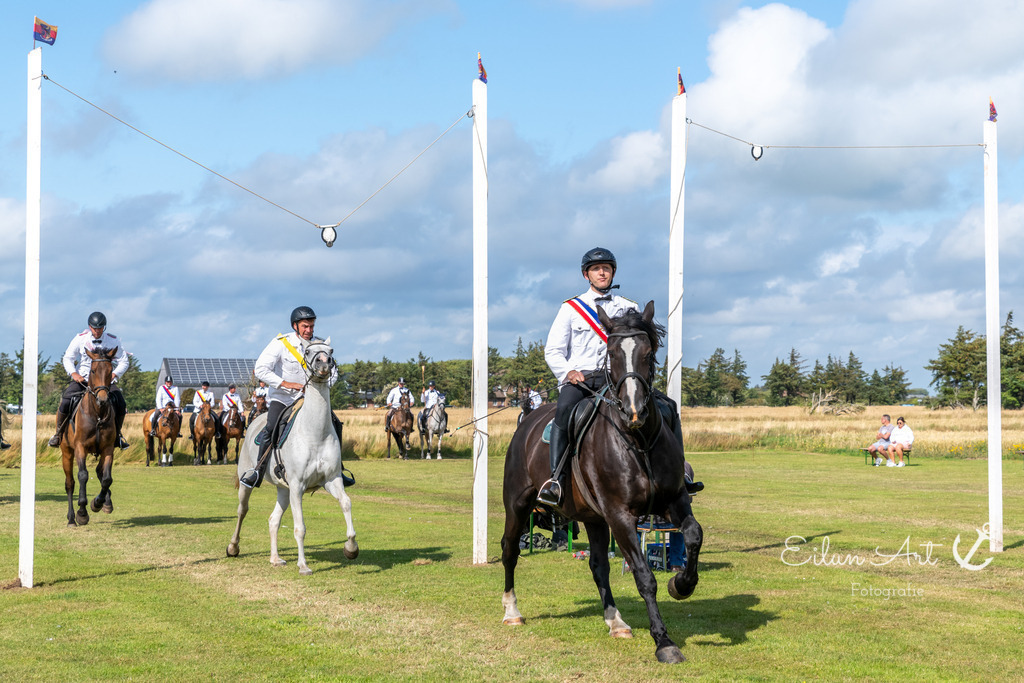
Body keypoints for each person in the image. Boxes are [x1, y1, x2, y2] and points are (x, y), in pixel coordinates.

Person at [537, 247, 640, 506]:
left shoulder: (630, 307)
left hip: (616, 380)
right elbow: (553, 350)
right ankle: (556, 480)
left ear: (613, 272)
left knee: (664, 408)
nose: (602, 272)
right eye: (596, 269)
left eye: (606, 268)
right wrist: (567, 372)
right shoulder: (571, 308)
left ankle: (677, 472)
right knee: (564, 413)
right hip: (581, 381)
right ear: (587, 275)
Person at [240, 306, 352, 488]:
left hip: (310, 401)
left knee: (335, 423)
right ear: (295, 326)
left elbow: (334, 372)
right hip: (283, 398)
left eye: (312, 326)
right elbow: (261, 368)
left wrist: (322, 386)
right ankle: (257, 470)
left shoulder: (319, 345)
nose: (309, 330)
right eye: (305, 326)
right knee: (271, 426)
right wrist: (285, 383)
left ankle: (337, 468)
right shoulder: (281, 343)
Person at [48, 312, 131, 449]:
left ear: (104, 327)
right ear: (89, 326)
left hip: (104, 383)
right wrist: (74, 373)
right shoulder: (80, 339)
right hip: (83, 380)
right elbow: (68, 358)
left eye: (100, 328)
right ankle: (58, 434)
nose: (97, 331)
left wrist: (114, 374)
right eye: (94, 328)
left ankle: (118, 436)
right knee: (66, 400)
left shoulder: (113, 340)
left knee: (121, 403)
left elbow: (124, 361)